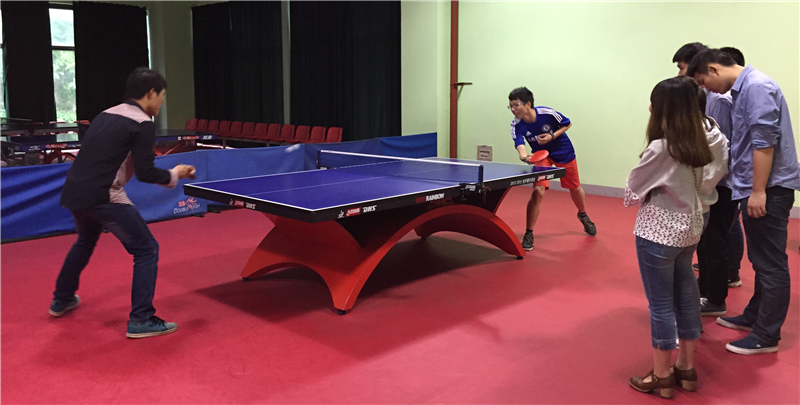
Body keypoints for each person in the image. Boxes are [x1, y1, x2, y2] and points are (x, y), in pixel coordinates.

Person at [49, 67, 196, 339]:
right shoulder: (142, 122)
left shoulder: (105, 114)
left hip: (75, 192)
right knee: (147, 249)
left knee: (85, 241)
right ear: (150, 93)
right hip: (104, 195)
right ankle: (141, 319)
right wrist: (176, 173)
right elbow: (146, 173)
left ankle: (62, 299)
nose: (162, 102)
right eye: (162, 96)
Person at [688, 49, 800, 354]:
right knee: (762, 259)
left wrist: (758, 191)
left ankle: (767, 335)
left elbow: (764, 143)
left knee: (771, 263)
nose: (707, 90)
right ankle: (755, 316)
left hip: (768, 189)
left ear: (713, 69)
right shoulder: (744, 89)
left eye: (703, 82)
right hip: (755, 186)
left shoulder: (756, 87)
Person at [625, 76, 728, 398]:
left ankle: (661, 375)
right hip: (693, 224)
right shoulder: (712, 137)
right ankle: (686, 367)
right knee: (686, 295)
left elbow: (632, 189)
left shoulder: (662, 147)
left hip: (657, 231)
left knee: (660, 304)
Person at [674, 43, 742, 318]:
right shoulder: (705, 98)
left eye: (683, 68)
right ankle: (706, 289)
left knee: (715, 241)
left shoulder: (718, 100)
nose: (681, 74)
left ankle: (715, 297)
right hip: (713, 183)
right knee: (707, 241)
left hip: (721, 184)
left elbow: (721, 149)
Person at [507, 87, 596, 251]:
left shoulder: (547, 113)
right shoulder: (516, 124)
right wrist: (524, 156)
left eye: (516, 105)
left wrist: (552, 136)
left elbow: (567, 123)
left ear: (528, 104)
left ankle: (582, 214)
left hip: (563, 151)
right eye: (510, 106)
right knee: (537, 191)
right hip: (541, 156)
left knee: (574, 188)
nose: (513, 109)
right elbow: (519, 143)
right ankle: (529, 233)